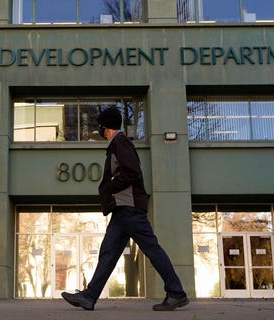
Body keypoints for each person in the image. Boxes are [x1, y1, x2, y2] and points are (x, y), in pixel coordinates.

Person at [61, 107, 189, 311]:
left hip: (129, 208)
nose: (99, 130)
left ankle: (176, 293)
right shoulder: (116, 144)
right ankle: (90, 296)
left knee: (151, 249)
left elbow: (132, 172)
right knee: (108, 252)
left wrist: (110, 187)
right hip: (123, 210)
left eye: (100, 126)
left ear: (106, 127)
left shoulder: (120, 142)